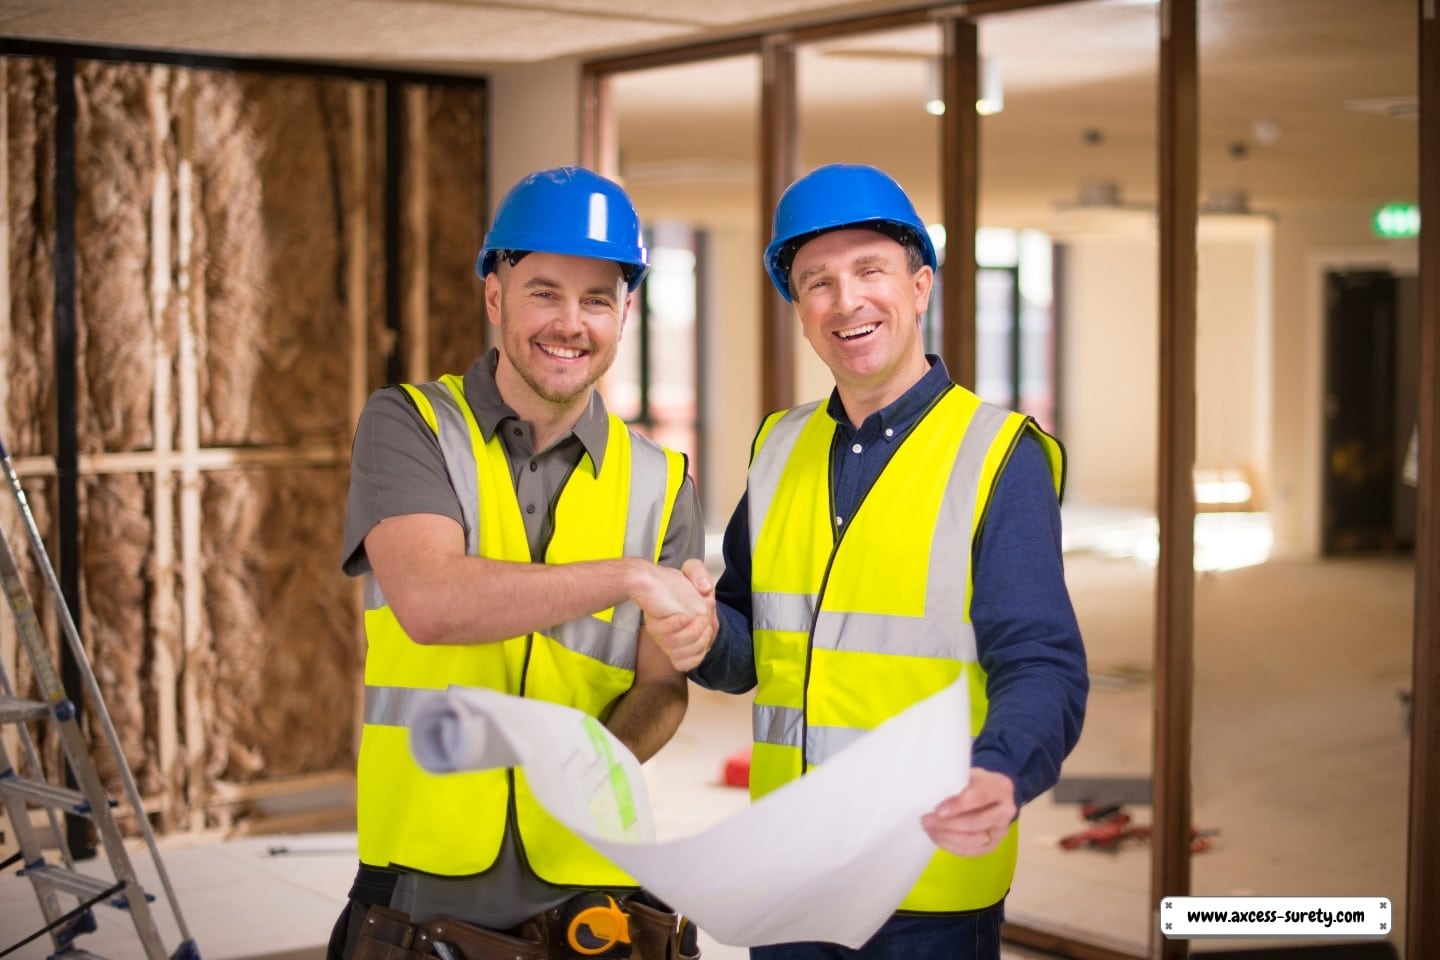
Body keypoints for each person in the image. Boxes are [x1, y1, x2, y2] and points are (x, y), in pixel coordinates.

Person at [680, 163, 1088, 960]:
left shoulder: (998, 455)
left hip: (923, 886)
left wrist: (1003, 772)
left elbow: (1040, 659)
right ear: (800, 311)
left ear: (921, 285)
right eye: (817, 283)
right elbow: (746, 644)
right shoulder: (780, 445)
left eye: (871, 270)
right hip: (791, 871)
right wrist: (698, 633)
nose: (847, 301)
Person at [328, 166, 716, 960]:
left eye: (598, 299)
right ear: (495, 295)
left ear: (626, 312)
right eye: (545, 291)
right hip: (423, 872)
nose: (570, 323)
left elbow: (660, 689)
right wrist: (629, 575)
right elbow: (433, 604)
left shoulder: (663, 482)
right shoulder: (409, 426)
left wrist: (605, 750)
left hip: (591, 881)